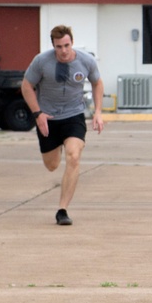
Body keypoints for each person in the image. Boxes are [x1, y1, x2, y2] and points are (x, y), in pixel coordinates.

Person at [21, 25, 104, 226]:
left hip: (74, 115)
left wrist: (98, 112)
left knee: (74, 156)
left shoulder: (86, 61)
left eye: (66, 45)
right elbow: (26, 86)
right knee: (52, 166)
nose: (64, 51)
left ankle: (62, 209)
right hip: (47, 118)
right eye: (59, 47)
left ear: (72, 43)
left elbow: (97, 83)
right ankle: (57, 145)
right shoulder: (41, 61)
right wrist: (37, 114)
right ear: (53, 46)